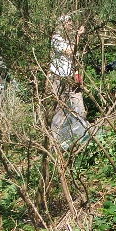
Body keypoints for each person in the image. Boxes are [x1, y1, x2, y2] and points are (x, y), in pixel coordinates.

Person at [49, 14, 89, 143]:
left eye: (71, 21)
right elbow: (70, 51)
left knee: (79, 105)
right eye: (68, 21)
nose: (71, 23)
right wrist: (78, 36)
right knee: (60, 108)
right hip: (59, 77)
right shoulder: (56, 38)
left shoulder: (68, 38)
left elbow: (73, 58)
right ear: (62, 24)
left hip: (71, 77)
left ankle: (83, 134)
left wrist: (77, 75)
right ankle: (55, 139)